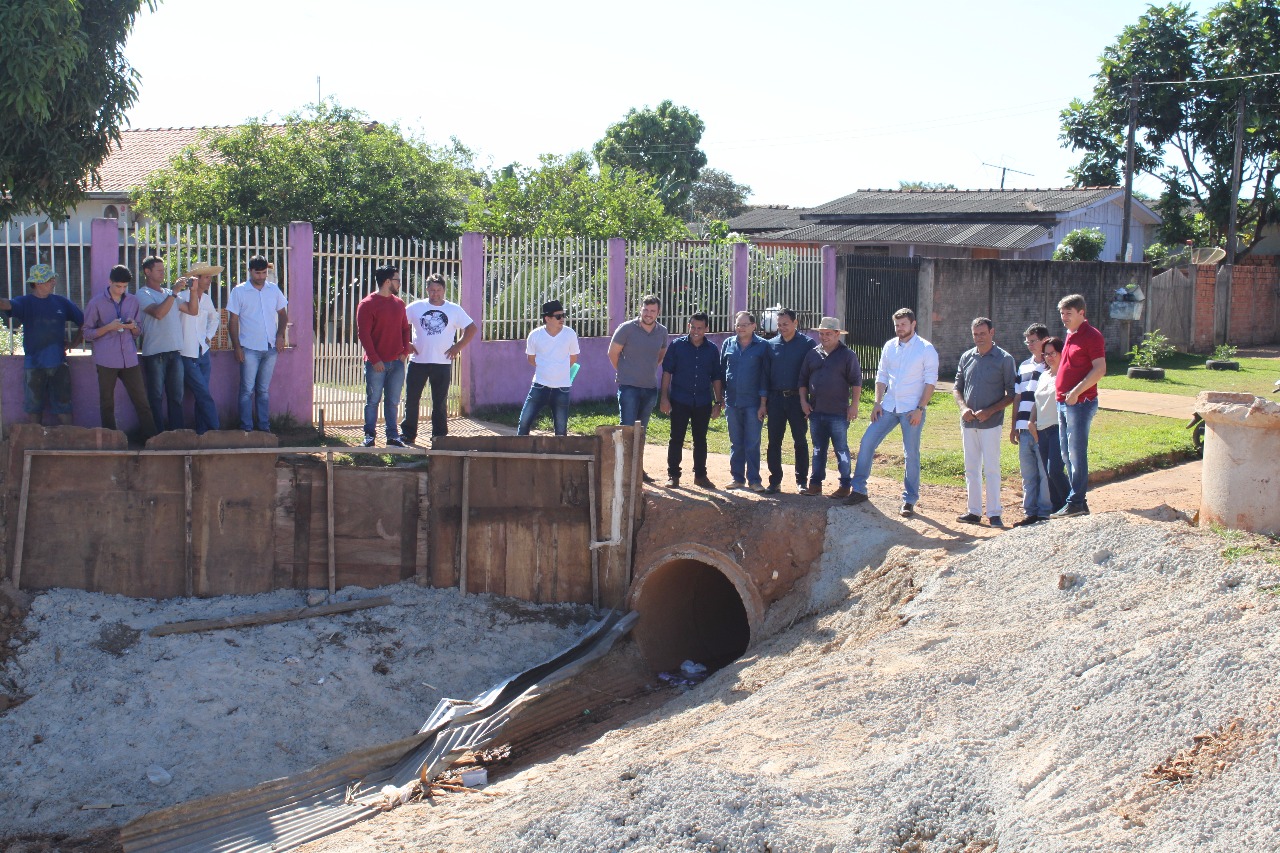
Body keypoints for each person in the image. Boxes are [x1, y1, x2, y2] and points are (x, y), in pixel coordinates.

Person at [845, 308, 938, 515]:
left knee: (911, 454)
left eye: (903, 324)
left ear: (913, 324)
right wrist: (877, 402)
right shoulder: (889, 346)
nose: (899, 329)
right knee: (867, 441)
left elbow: (931, 381)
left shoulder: (926, 349)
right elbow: (882, 375)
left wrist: (920, 408)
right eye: (897, 325)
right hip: (888, 406)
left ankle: (909, 499)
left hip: (911, 410)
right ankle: (859, 489)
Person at [953, 317, 1017, 528]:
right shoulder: (966, 357)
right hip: (969, 422)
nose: (979, 337)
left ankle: (994, 513)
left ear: (992, 333)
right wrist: (963, 408)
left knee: (991, 468)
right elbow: (957, 388)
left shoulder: (1004, 359)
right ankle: (973, 511)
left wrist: (990, 411)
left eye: (982, 333)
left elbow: (1011, 394)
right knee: (971, 468)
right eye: (975, 334)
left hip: (991, 423)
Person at [0, 264, 84, 425]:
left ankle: (67, 444)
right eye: (49, 279)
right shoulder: (25, 302)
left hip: (59, 364)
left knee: (64, 408)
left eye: (53, 279)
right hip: (34, 365)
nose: (53, 282)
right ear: (37, 283)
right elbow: (6, 304)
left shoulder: (61, 302)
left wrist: (75, 343)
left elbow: (84, 322)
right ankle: (35, 444)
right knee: (33, 409)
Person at [81, 265, 155, 436]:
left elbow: (138, 331)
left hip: (129, 358)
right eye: (118, 286)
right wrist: (108, 327)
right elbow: (86, 333)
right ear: (110, 282)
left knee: (141, 401)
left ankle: (151, 439)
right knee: (107, 403)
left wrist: (133, 326)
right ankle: (110, 440)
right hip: (106, 359)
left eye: (124, 287)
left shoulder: (133, 301)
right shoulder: (96, 303)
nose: (121, 290)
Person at [401, 272, 475, 445]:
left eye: (438, 289)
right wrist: (406, 343)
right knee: (411, 399)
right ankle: (408, 434)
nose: (435, 293)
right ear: (427, 289)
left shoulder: (453, 309)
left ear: (444, 290)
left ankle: (439, 436)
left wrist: (457, 347)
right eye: (432, 290)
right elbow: (398, 324)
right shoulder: (415, 307)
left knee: (439, 401)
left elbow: (471, 328)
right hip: (418, 362)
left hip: (442, 363)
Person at [1053, 293, 1106, 518]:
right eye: (1062, 313)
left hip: (1080, 402)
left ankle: (1077, 501)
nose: (1064, 317)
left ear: (1081, 313)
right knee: (1066, 453)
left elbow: (1100, 369)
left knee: (1076, 452)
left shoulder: (1091, 335)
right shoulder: (1070, 334)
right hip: (1065, 402)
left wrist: (1075, 392)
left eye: (1068, 313)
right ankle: (1076, 501)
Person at [798, 317, 862, 499]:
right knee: (818, 449)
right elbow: (802, 381)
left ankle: (844, 485)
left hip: (839, 413)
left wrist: (854, 405)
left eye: (828, 334)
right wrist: (804, 401)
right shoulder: (812, 354)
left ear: (837, 334)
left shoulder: (848, 355)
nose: (824, 337)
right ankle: (815, 484)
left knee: (841, 449)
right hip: (816, 412)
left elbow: (856, 382)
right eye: (821, 333)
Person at [660, 312, 723, 489]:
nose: (696, 331)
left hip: (703, 401)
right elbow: (667, 372)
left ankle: (700, 476)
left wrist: (718, 402)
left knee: (700, 439)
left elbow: (716, 376)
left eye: (700, 328)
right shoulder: (677, 346)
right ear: (689, 326)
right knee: (676, 438)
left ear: (707, 329)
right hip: (680, 399)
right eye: (693, 327)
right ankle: (673, 475)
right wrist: (664, 397)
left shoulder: (711, 349)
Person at [227, 256, 289, 432]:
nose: (261, 276)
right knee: (247, 390)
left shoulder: (274, 289)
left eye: (264, 273)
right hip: (249, 348)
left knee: (263, 390)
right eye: (258, 273)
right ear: (250, 271)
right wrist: (237, 347)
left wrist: (280, 335)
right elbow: (232, 321)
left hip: (270, 347)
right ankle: (246, 428)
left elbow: (283, 315)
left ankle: (264, 428)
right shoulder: (239, 291)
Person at [356, 265, 412, 448]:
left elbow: (405, 329)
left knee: (393, 401)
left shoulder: (399, 304)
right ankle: (369, 436)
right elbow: (363, 334)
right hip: (376, 364)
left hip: (397, 362)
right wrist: (374, 359)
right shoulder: (367, 304)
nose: (399, 283)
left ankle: (392, 436)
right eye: (397, 279)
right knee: (372, 401)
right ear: (388, 282)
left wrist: (404, 352)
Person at [764, 308, 818, 494]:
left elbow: (813, 374)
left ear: (795, 323)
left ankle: (801, 481)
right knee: (774, 441)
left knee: (800, 441)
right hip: (776, 399)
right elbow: (765, 375)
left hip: (798, 399)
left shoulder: (808, 344)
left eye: (785, 324)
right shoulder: (770, 345)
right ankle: (775, 481)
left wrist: (809, 400)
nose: (782, 328)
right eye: (779, 325)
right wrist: (764, 403)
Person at [135, 256, 188, 431]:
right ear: (147, 272)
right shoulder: (143, 294)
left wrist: (194, 291)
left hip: (175, 351)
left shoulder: (168, 293)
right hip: (155, 353)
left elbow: (192, 310)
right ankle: (156, 435)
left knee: (176, 397)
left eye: (163, 270)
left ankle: (177, 433)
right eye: (159, 270)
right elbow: (158, 313)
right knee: (156, 397)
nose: (162, 273)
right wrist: (173, 293)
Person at [720, 311, 769, 491]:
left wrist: (763, 404)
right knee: (736, 442)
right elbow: (721, 373)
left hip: (753, 403)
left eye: (744, 325)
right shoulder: (728, 343)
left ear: (754, 326)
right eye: (738, 324)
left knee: (752, 442)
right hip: (732, 402)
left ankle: (754, 480)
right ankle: (737, 478)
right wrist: (720, 399)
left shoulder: (762, 346)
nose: (740, 328)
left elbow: (765, 376)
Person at [516, 300, 579, 436]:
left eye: (563, 315)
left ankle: (560, 456)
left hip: (562, 388)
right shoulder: (535, 335)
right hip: (539, 385)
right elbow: (531, 359)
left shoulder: (570, 334)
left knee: (561, 430)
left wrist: (558, 368)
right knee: (524, 422)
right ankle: (521, 454)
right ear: (547, 318)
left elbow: (573, 358)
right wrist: (547, 368)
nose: (562, 319)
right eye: (558, 316)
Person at [1010, 323, 1051, 526]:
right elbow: (1018, 397)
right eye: (1027, 341)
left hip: (1043, 427)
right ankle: (1030, 512)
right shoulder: (1024, 365)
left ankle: (1045, 512)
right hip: (1023, 427)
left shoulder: (1051, 365)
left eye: (1033, 341)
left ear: (1044, 340)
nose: (1029, 345)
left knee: (1044, 472)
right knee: (1028, 474)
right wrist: (1013, 425)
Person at [177, 263, 223, 434]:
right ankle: (215, 429)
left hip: (202, 351)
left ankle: (202, 432)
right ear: (196, 279)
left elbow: (214, 318)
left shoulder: (207, 299)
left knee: (201, 394)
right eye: (206, 277)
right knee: (203, 392)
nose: (209, 280)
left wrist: (208, 336)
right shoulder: (181, 297)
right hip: (186, 352)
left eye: (209, 277)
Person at [609, 294, 667, 430]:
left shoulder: (662, 332)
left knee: (641, 430)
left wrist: (648, 368)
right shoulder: (626, 328)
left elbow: (661, 355)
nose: (648, 314)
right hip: (629, 387)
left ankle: (637, 453)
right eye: (645, 310)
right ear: (640, 309)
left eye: (653, 311)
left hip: (650, 388)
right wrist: (624, 371)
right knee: (627, 429)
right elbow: (612, 353)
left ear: (658, 313)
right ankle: (626, 453)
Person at [1034, 336, 1071, 514]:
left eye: (1053, 353)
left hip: (1058, 427)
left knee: (1055, 469)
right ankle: (1057, 508)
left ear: (1062, 352)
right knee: (1048, 474)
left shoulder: (1067, 374)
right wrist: (1031, 421)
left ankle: (1071, 504)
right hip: (1041, 429)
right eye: (1046, 354)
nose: (1049, 357)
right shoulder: (1043, 376)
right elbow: (1037, 401)